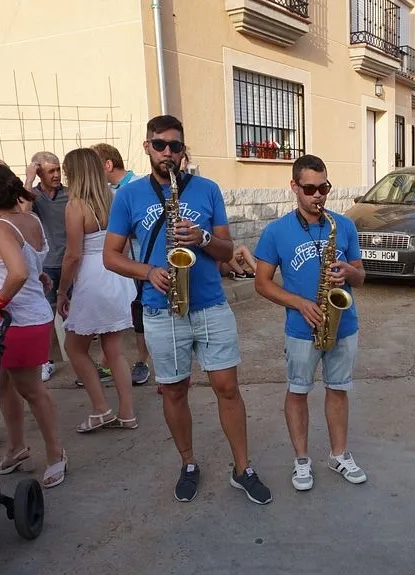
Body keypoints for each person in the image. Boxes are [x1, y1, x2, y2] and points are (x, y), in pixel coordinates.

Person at [103, 114, 272, 505]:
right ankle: (188, 463)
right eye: (159, 144)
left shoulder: (207, 189)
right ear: (147, 147)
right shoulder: (128, 196)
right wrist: (148, 272)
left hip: (210, 304)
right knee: (174, 391)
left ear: (183, 150)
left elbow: (227, 251)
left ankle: (242, 468)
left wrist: (203, 237)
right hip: (161, 309)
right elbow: (110, 256)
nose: (167, 152)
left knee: (227, 387)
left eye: (175, 146)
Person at [254, 154, 367, 492]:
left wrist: (350, 273)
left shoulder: (343, 225)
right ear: (294, 187)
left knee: (338, 389)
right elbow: (262, 283)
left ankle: (338, 454)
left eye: (324, 188)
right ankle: (301, 459)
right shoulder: (276, 231)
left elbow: (361, 277)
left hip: (343, 324)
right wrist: (299, 303)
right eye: (310, 189)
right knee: (298, 391)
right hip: (302, 327)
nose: (318, 195)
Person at [0, 163, 66, 489]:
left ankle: (56, 453)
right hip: (16, 319)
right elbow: (27, 264)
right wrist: (39, 274)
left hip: (16, 321)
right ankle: (16, 447)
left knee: (31, 390)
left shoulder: (0, 228)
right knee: (1, 384)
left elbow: (17, 273)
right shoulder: (30, 219)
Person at [57, 148, 138, 433]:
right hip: (115, 274)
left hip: (92, 278)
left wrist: (62, 291)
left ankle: (101, 408)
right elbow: (124, 245)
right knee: (114, 349)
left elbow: (72, 255)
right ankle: (127, 413)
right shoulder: (114, 199)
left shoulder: (76, 206)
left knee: (74, 346)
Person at [91, 142, 151, 387]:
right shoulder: (106, 191)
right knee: (120, 311)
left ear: (107, 164)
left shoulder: (140, 186)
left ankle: (142, 361)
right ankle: (108, 362)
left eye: (95, 166)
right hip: (119, 262)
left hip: (142, 261)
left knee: (141, 314)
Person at [24, 151, 67, 383]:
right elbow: (23, 213)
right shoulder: (33, 195)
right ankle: (46, 361)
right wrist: (29, 179)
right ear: (40, 172)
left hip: (70, 262)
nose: (57, 175)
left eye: (58, 169)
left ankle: (83, 362)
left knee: (78, 315)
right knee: (46, 317)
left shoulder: (69, 194)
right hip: (47, 265)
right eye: (51, 171)